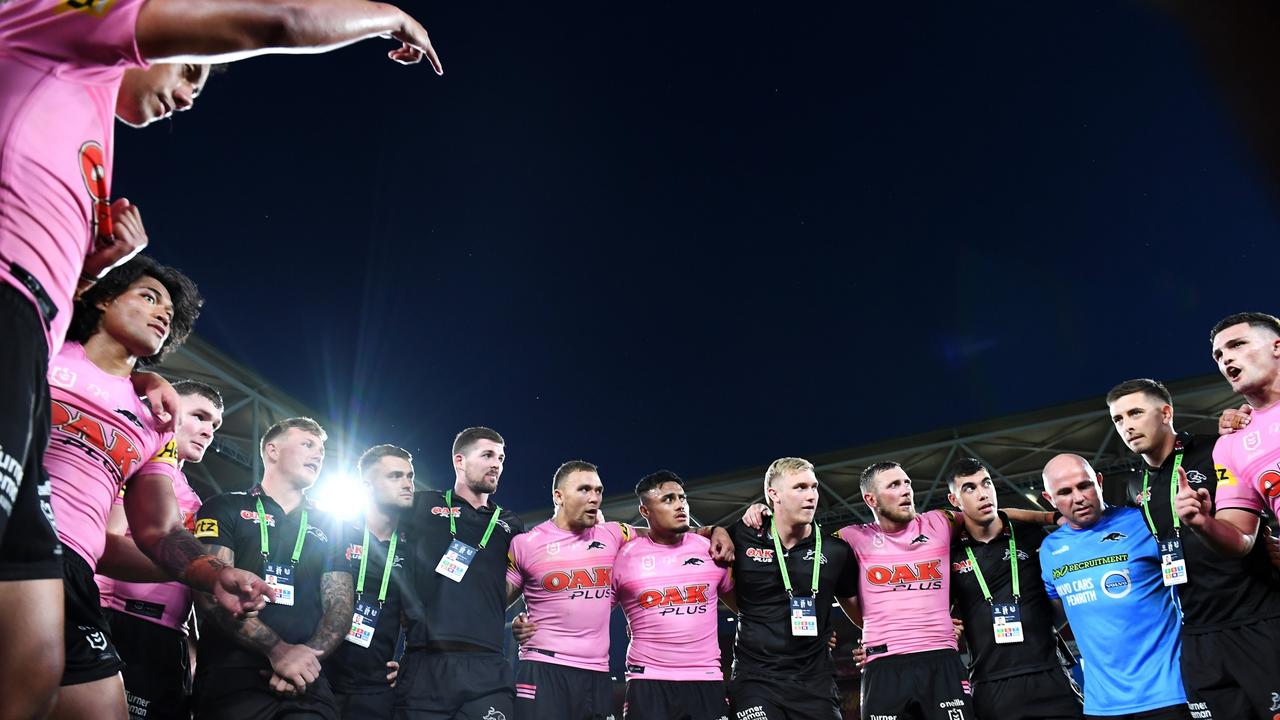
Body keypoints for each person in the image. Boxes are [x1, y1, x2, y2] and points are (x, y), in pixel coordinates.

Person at [45, 256, 271, 720]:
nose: (163, 314)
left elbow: (160, 531)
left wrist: (209, 573)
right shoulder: (46, 351)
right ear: (104, 297)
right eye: (148, 297)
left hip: (72, 573)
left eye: (170, 311)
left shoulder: (156, 421)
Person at [1107, 376, 1280, 720]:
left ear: (1166, 412)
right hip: (1198, 636)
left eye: (1136, 413)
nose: (1127, 426)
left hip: (1257, 620)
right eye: (1118, 419)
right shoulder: (1135, 484)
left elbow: (1263, 498)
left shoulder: (1217, 448)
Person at [838, 461, 1054, 720]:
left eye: (907, 482)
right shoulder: (850, 539)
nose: (906, 490)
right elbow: (832, 581)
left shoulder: (940, 522)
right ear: (870, 498)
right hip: (883, 665)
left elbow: (995, 514)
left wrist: (1051, 518)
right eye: (894, 485)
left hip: (942, 661)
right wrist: (870, 628)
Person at [192, 417, 354, 720]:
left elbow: (341, 605)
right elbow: (210, 594)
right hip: (232, 676)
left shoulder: (332, 525)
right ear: (272, 450)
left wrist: (305, 658)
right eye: (307, 444)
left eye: (321, 450)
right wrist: (278, 651)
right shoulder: (224, 506)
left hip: (309, 681)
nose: (318, 455)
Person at [96, 379, 226, 720]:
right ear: (168, 409)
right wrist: (193, 570)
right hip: (115, 623)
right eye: (199, 416)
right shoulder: (136, 467)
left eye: (214, 425)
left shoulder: (195, 501)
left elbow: (190, 591)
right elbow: (105, 542)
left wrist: (193, 644)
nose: (208, 431)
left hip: (169, 640)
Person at [1039, 454, 1188, 720]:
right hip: (1101, 706)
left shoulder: (1144, 523)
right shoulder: (1050, 549)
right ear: (1050, 500)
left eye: (1084, 485)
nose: (1078, 497)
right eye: (1064, 492)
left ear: (1099, 481)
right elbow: (1056, 615)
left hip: (1168, 694)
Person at [396, 427, 526, 720]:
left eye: (501, 458)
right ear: (460, 460)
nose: (497, 464)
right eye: (487, 455)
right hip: (425, 662)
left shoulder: (510, 523)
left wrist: (506, 610)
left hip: (488, 666)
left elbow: (523, 577)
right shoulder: (422, 505)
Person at [946, 458, 1083, 720]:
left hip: (1050, 674)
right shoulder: (950, 552)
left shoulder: (1032, 534)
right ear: (955, 501)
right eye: (969, 488)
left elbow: (1059, 598)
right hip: (990, 684)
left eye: (986, 483)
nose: (982, 493)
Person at [730, 457, 858, 720]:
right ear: (773, 494)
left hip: (815, 683)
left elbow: (860, 611)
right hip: (755, 680)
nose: (811, 496)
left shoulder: (836, 551)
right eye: (800, 487)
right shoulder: (740, 537)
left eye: (814, 487)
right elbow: (716, 581)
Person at [612, 470, 733, 720]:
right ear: (645, 511)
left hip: (706, 679)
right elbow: (591, 612)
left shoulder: (711, 550)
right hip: (648, 680)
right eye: (668, 499)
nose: (680, 505)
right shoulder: (625, 556)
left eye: (682, 498)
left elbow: (748, 610)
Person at [322, 445, 415, 720]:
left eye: (410, 476)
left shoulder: (413, 549)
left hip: (376, 689)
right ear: (367, 485)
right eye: (395, 476)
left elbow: (421, 618)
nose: (407, 484)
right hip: (318, 678)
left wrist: (410, 664)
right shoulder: (332, 531)